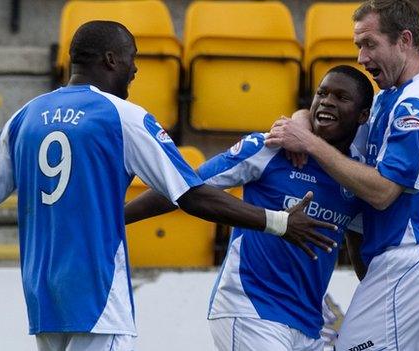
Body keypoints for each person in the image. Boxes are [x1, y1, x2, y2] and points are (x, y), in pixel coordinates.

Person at [0, 21, 337, 351]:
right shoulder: (123, 117)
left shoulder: (24, 117)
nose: (137, 68)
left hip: (44, 297)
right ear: (110, 59)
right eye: (132, 57)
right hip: (98, 298)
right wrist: (279, 222)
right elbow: (190, 193)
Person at [124, 65, 374, 351]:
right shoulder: (270, 147)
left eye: (341, 97)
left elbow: (359, 245)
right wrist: (117, 218)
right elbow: (182, 187)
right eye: (322, 93)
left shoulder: (356, 175)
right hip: (251, 307)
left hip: (309, 323)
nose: (327, 101)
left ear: (363, 115)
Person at [266, 1, 419, 350]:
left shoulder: (417, 102)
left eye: (370, 44)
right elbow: (331, 129)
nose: (361, 57)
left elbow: (383, 191)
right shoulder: (392, 97)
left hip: (410, 259)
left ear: (404, 40)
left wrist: (309, 143)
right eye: (358, 45)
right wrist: (302, 118)